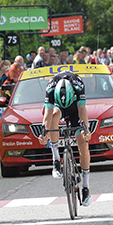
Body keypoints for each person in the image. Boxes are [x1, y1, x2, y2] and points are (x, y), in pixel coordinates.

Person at [38, 71, 92, 206]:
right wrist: (44, 134)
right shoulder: (50, 87)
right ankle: (56, 159)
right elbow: (47, 114)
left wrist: (86, 130)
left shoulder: (78, 85)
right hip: (58, 107)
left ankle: (85, 186)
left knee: (83, 145)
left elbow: (82, 110)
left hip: (75, 109)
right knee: (54, 116)